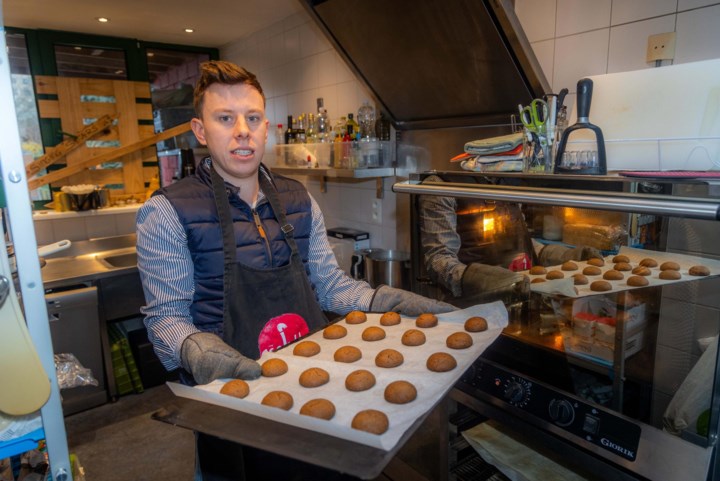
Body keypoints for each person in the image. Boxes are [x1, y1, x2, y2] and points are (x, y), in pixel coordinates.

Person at [136, 60, 454, 480]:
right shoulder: (167, 211)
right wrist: (195, 349)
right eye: (225, 118)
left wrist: (381, 299)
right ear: (200, 130)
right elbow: (166, 319)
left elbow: (328, 286)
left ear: (266, 127)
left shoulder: (298, 198)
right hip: (230, 404)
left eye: (252, 118)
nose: (242, 131)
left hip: (313, 393)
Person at [418, 173, 600, 308]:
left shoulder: (507, 180)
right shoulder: (441, 186)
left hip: (524, 303)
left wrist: (566, 256)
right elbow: (439, 260)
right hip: (473, 309)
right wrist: (492, 280)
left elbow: (523, 243)